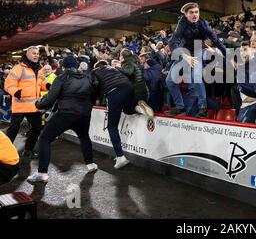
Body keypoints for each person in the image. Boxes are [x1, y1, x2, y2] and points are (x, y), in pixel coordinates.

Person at [27, 56, 98, 184]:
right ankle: (91, 164)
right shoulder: (87, 77)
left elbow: (50, 98)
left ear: (63, 66)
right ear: (76, 65)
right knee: (84, 136)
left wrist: (38, 104)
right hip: (84, 114)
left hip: (66, 113)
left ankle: (42, 173)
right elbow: (93, 95)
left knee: (45, 138)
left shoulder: (62, 78)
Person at [165, 2, 227, 117]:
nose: (195, 15)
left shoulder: (203, 23)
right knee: (169, 81)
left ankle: (202, 108)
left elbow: (216, 40)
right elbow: (172, 42)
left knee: (196, 77)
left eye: (196, 12)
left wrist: (228, 56)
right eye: (191, 12)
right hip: (184, 52)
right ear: (185, 14)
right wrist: (185, 56)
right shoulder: (182, 23)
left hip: (198, 50)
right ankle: (180, 108)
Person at [92, 60, 150, 169]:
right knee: (127, 110)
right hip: (128, 87)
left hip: (114, 91)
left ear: (97, 67)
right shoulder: (114, 69)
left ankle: (120, 157)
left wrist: (95, 99)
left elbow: (95, 85)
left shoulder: (95, 71)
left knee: (111, 126)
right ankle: (136, 107)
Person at [4, 46, 47, 158]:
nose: (36, 55)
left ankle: (28, 150)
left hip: (33, 107)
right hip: (20, 105)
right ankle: (4, 152)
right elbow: (8, 84)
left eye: (37, 53)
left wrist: (46, 85)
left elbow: (40, 83)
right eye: (34, 53)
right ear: (27, 54)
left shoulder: (39, 68)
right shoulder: (18, 68)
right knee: (13, 130)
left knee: (37, 128)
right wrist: (16, 92)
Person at [116, 48, 154, 119]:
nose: (119, 57)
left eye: (120, 56)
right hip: (141, 90)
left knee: (127, 110)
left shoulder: (128, 63)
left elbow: (129, 72)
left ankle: (139, 108)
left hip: (136, 90)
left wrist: (117, 68)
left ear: (123, 56)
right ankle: (139, 108)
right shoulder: (133, 62)